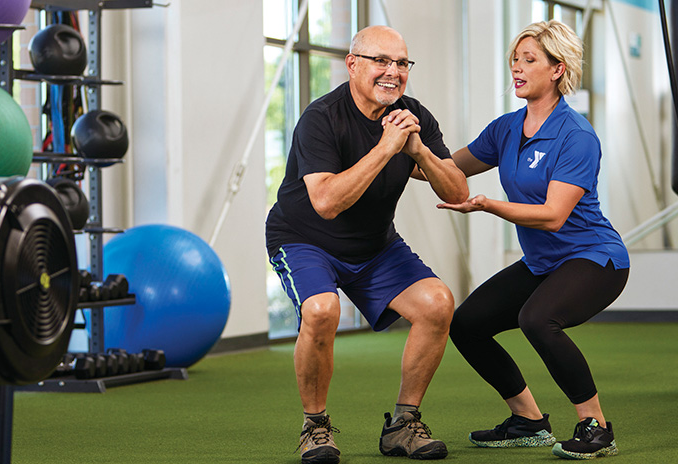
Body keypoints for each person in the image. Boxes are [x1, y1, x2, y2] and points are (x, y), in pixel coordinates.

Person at [265, 25, 468, 463]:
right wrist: (384, 147)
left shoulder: (413, 115)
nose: (392, 72)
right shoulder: (321, 118)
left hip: (374, 246)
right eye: (381, 61)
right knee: (321, 310)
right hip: (304, 239)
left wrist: (419, 152)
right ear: (353, 64)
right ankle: (315, 427)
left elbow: (456, 193)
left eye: (401, 63)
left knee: (437, 303)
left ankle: (402, 426)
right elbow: (326, 203)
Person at [437, 20, 629, 460]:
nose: (517, 69)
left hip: (594, 258)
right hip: (544, 263)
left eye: (529, 60)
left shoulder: (576, 135)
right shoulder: (506, 128)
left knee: (537, 318)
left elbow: (553, 216)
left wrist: (487, 205)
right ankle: (527, 420)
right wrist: (400, 149)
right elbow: (449, 170)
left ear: (558, 69)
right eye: (514, 60)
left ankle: (596, 427)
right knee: (466, 324)